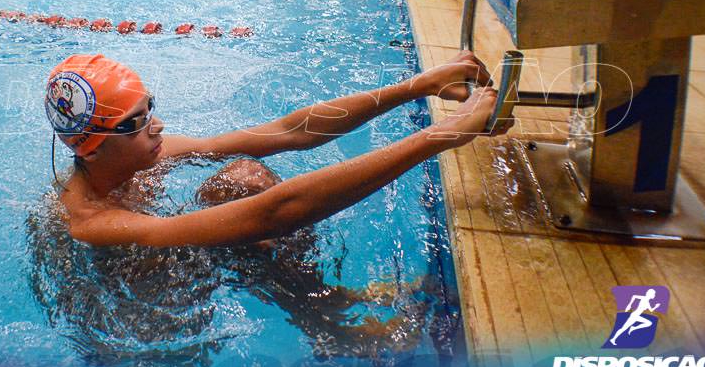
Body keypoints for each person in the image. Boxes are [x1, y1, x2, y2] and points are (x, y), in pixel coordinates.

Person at [42, 50, 504, 249]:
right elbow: (274, 213)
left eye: (151, 108)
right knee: (246, 209)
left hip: (178, 249)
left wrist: (416, 86)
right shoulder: (91, 223)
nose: (157, 125)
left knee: (243, 175)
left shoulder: (144, 156)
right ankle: (330, 321)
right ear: (93, 147)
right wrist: (442, 135)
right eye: (136, 121)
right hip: (145, 329)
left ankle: (321, 309)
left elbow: (286, 132)